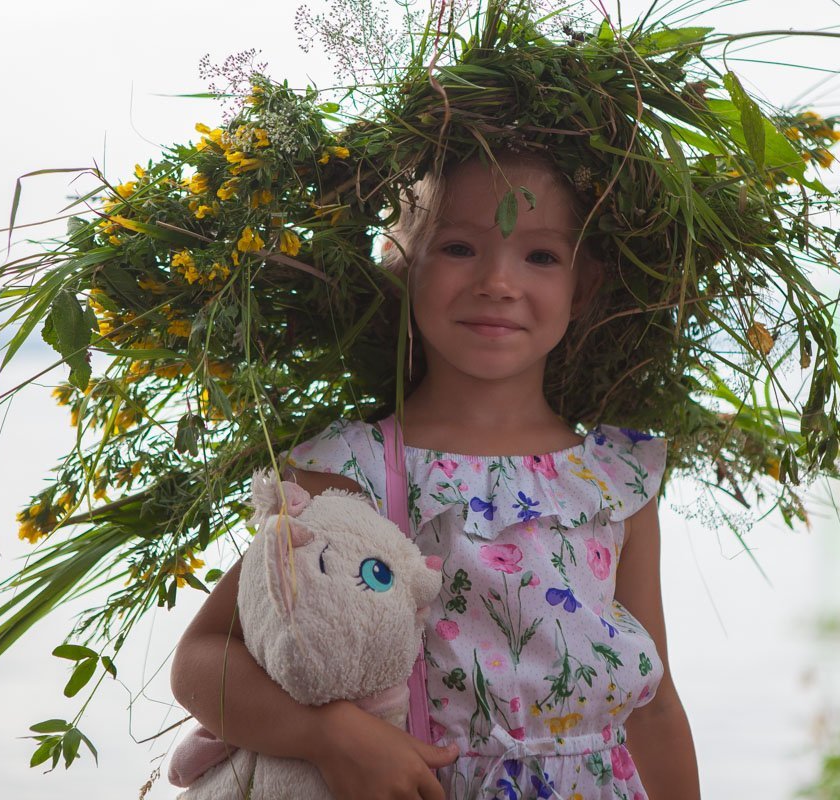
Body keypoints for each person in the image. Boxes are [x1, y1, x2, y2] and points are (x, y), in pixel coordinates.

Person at [170, 152, 702, 799]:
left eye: (540, 256)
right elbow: (203, 658)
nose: (498, 282)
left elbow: (652, 705)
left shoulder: (613, 481)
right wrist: (330, 735)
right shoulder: (352, 470)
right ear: (402, 263)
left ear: (582, 286)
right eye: (457, 247)